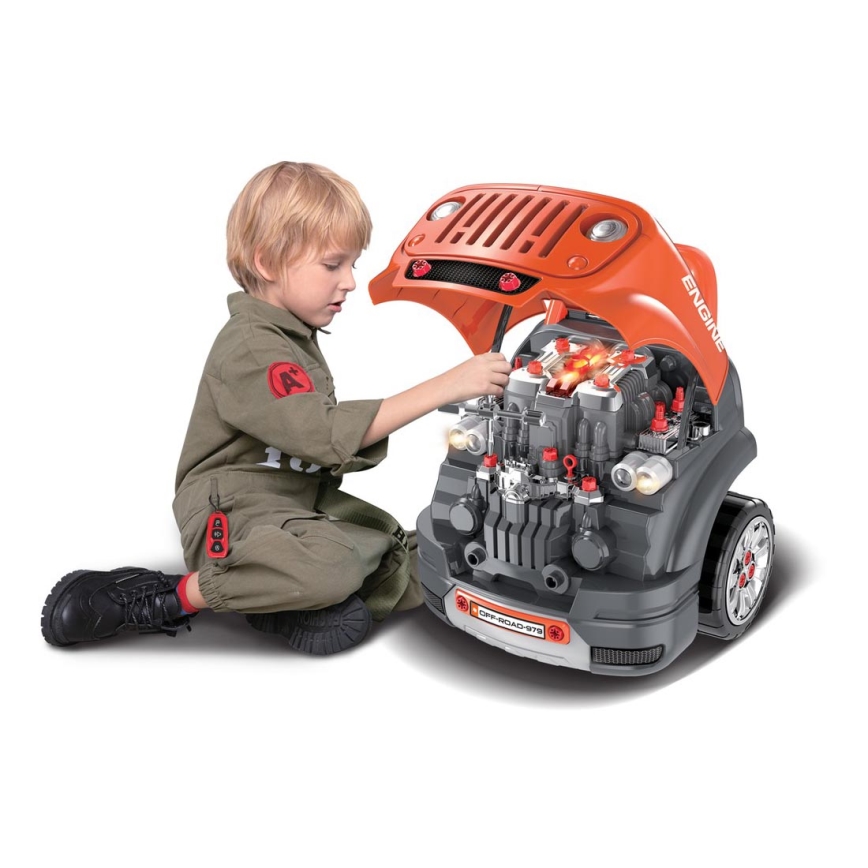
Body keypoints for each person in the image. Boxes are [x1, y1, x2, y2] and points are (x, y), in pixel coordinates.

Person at [40, 161, 512, 655]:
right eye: (332, 265)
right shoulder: (251, 344)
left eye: (353, 265)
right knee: (332, 565)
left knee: (426, 551)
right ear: (267, 263)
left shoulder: (292, 336)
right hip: (230, 510)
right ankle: (167, 597)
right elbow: (322, 435)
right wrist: (447, 385)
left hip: (293, 505)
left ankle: (295, 602)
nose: (350, 282)